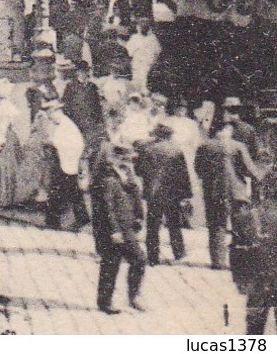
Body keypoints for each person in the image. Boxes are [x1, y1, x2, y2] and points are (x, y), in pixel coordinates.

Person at [198, 119, 261, 271]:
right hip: (236, 191)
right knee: (240, 227)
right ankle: (239, 262)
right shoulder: (238, 146)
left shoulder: (205, 146)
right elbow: (249, 170)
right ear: (227, 130)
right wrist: (258, 178)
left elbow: (198, 169)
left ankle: (218, 262)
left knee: (216, 226)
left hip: (213, 191)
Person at [92, 142, 147, 314]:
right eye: (126, 159)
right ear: (115, 159)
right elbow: (107, 208)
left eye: (130, 160)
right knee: (115, 262)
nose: (129, 163)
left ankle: (129, 297)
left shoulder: (128, 176)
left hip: (127, 226)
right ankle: (108, 301)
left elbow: (136, 198)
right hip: (113, 229)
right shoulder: (108, 179)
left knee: (128, 260)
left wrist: (139, 217)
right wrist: (114, 231)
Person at [136, 123, 191, 266]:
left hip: (153, 193)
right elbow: (183, 174)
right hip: (172, 193)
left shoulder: (147, 149)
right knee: (174, 223)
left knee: (153, 225)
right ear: (170, 135)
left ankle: (152, 256)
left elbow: (138, 171)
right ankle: (178, 252)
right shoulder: (176, 150)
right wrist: (186, 193)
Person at [238, 171, 277, 334]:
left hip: (258, 282)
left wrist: (241, 280)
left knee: (254, 329)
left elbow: (239, 250)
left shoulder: (251, 215)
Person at [42, 99, 90, 231]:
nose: (50, 118)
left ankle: (53, 222)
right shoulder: (61, 124)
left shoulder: (66, 125)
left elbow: (76, 144)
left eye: (50, 115)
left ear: (57, 112)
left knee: (59, 191)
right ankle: (80, 218)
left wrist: (52, 143)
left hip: (68, 162)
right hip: (64, 162)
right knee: (70, 191)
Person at [0, 80, 28, 208]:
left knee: (1, 168)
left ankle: (2, 198)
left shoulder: (1, 108)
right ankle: (6, 197)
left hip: (4, 139)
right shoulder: (5, 105)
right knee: (8, 167)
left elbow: (2, 126)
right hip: (10, 138)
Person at [63, 60, 106, 150]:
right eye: (80, 71)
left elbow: (97, 105)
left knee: (92, 147)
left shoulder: (93, 86)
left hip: (90, 122)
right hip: (76, 121)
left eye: (84, 71)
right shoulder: (70, 86)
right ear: (76, 73)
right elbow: (66, 106)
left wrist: (100, 121)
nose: (82, 73)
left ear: (87, 72)